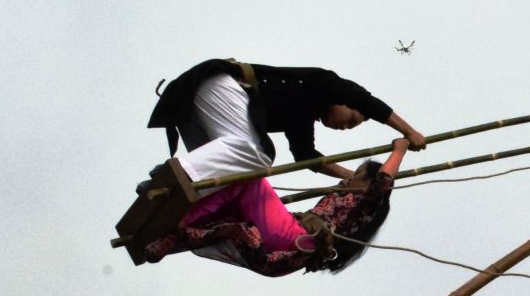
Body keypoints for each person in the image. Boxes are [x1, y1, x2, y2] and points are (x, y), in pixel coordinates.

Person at [133, 57, 425, 274]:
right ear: (344, 101)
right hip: (222, 86)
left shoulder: (301, 116)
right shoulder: (322, 84)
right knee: (254, 161)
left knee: (228, 178)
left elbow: (306, 156)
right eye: (350, 120)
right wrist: (406, 136)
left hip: (202, 99)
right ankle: (172, 184)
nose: (344, 128)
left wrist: (351, 177)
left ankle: (172, 222)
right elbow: (368, 105)